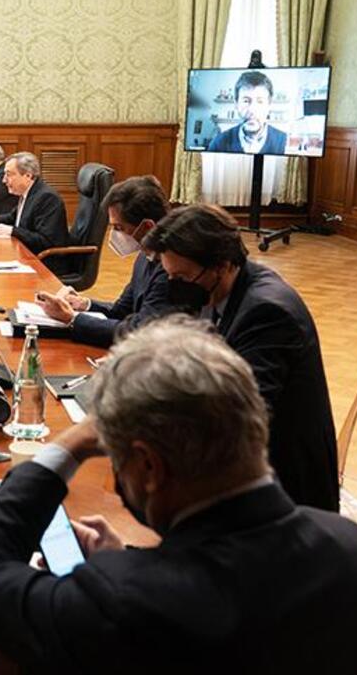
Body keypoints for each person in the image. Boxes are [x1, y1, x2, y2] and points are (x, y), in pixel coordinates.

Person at [0, 317, 357, 675]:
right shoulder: (352, 550)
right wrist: (134, 560)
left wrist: (72, 443)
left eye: (117, 462)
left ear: (150, 467)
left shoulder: (122, 603)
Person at [140, 203, 339, 511]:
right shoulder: (220, 288)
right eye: (169, 276)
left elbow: (243, 420)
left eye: (182, 277)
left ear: (221, 265)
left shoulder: (267, 312)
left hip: (283, 488)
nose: (174, 287)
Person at [35, 175, 172, 348]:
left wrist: (72, 319)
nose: (114, 234)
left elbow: (139, 332)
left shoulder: (171, 269)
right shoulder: (144, 256)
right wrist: (84, 304)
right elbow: (122, 310)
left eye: (119, 227)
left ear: (147, 227)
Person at [0, 152, 68, 259]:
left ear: (28, 176)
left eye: (9, 174)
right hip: (24, 252)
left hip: (42, 260)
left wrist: (12, 231)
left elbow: (45, 241)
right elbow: (12, 217)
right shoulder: (27, 192)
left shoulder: (47, 198)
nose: (4, 180)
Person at [207, 70, 289, 155]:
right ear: (236, 104)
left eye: (260, 101)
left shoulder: (285, 143)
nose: (252, 110)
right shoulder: (219, 143)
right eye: (246, 101)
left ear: (269, 105)